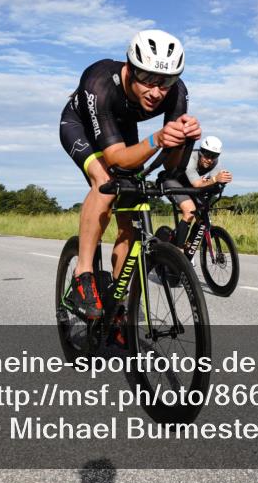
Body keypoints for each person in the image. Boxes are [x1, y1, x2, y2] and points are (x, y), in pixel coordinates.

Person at [59, 29, 201, 319]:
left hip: (124, 131)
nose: (157, 91)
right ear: (130, 68)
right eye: (148, 79)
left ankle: (118, 305)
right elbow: (114, 157)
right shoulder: (100, 80)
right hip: (81, 126)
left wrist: (184, 140)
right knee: (105, 182)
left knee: (131, 218)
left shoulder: (177, 93)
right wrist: (157, 139)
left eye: (166, 82)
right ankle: (83, 274)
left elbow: (171, 166)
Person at [163, 135, 232, 247]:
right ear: (201, 152)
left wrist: (224, 179)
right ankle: (178, 250)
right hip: (171, 181)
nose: (209, 159)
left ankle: (189, 245)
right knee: (190, 211)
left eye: (214, 156)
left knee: (202, 215)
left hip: (188, 185)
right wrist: (214, 179)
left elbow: (214, 181)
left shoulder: (215, 162)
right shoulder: (191, 158)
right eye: (207, 155)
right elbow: (198, 184)